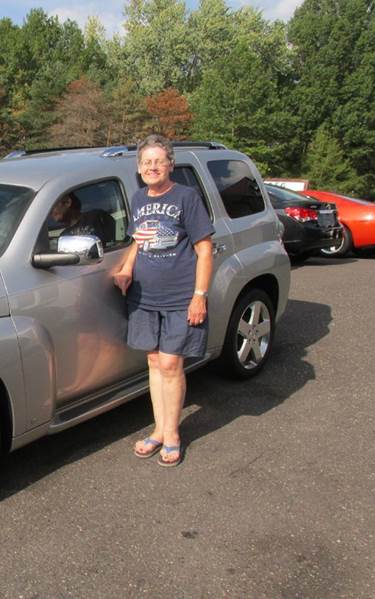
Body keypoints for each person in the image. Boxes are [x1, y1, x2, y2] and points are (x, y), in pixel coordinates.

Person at [114, 134, 214, 467]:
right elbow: (136, 240)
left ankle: (172, 435)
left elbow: (204, 249)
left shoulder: (187, 197)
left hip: (179, 296)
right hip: (144, 296)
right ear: (139, 168)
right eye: (146, 162)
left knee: (171, 364)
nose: (152, 167)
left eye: (159, 161)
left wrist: (199, 296)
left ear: (170, 164)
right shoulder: (139, 198)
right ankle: (158, 430)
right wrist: (126, 268)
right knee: (154, 363)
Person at [51, 192, 116, 246]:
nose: (50, 211)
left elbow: (115, 243)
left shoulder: (97, 217)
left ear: (67, 202)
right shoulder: (63, 237)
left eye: (52, 205)